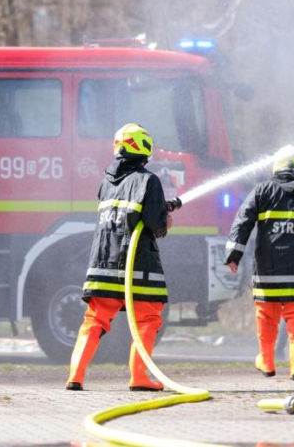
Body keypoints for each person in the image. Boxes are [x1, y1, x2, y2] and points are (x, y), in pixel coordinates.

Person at [66, 123, 173, 391]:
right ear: (144, 147)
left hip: (102, 262)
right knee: (148, 319)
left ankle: (75, 376)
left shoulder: (105, 183)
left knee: (94, 320)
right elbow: (154, 223)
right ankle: (139, 377)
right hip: (137, 266)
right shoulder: (148, 180)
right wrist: (166, 219)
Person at [225, 149, 294, 381]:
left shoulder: (263, 191)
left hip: (268, 270)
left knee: (266, 316)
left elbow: (243, 220)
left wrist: (234, 253)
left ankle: (267, 362)